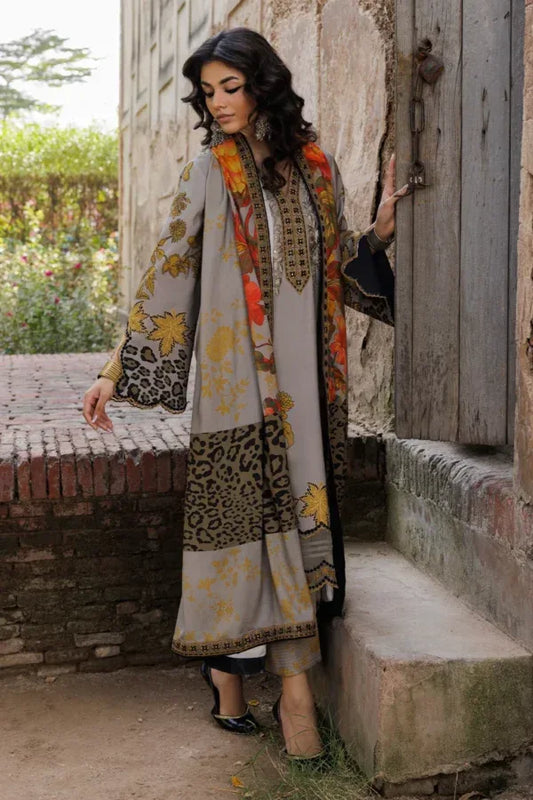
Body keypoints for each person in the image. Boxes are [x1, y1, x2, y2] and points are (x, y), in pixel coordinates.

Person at [82, 27, 406, 764]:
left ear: (263, 83)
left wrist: (377, 238)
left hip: (309, 393)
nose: (219, 103)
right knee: (247, 539)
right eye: (208, 93)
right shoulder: (211, 171)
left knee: (292, 534)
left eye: (231, 87)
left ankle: (232, 682)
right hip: (238, 392)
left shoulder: (318, 168)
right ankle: (291, 693)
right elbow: (170, 271)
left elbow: (333, 268)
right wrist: (115, 368)